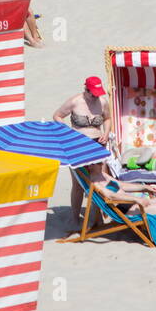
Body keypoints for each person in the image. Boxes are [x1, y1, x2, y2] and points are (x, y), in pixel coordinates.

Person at [54, 76, 110, 217]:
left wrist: (107, 132)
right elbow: (57, 116)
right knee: (78, 184)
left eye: (98, 93)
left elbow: (108, 118)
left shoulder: (102, 102)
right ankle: (75, 217)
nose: (95, 96)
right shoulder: (75, 101)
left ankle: (97, 218)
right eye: (93, 93)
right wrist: (68, 131)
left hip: (98, 144)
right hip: (78, 145)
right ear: (86, 89)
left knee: (98, 182)